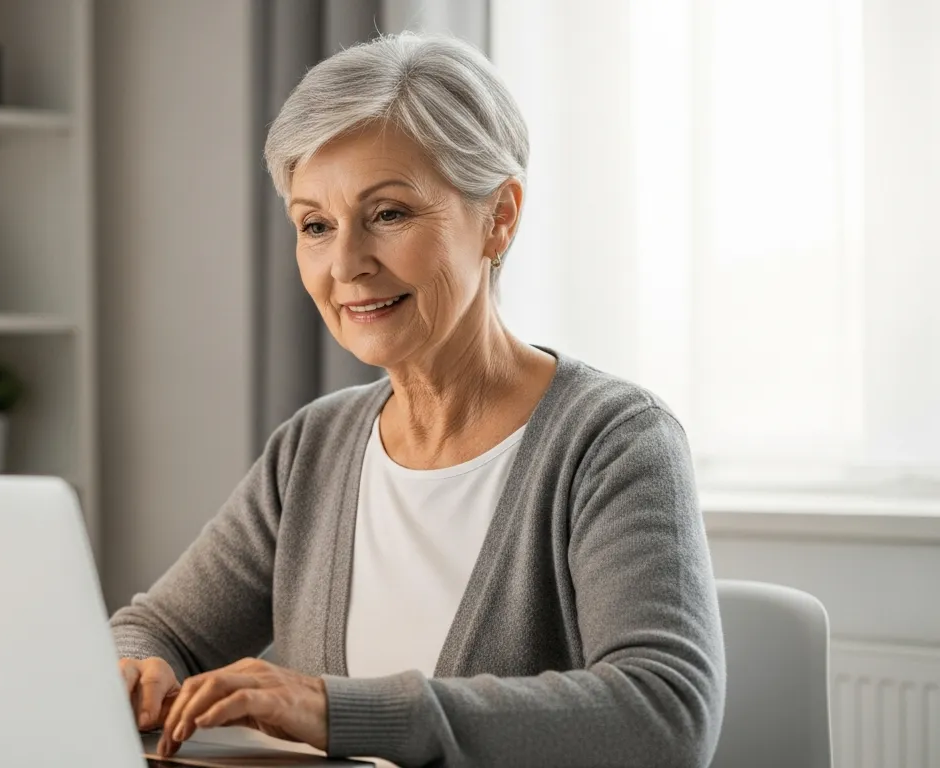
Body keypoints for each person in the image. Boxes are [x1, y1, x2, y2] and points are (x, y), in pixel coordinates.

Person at [110, 31, 726, 768]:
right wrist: (132, 671)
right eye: (315, 225)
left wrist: (336, 709)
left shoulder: (614, 441)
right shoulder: (314, 447)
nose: (346, 265)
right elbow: (156, 630)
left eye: (389, 214)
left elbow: (664, 714)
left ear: (499, 216)